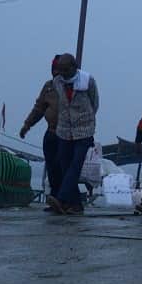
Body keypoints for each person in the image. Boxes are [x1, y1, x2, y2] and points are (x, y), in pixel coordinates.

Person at [48, 54, 99, 215]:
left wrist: (86, 118)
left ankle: (62, 199)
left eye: (65, 69)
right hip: (64, 130)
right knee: (64, 163)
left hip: (84, 130)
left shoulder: (87, 81)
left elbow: (94, 102)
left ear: (74, 67)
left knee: (76, 164)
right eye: (59, 69)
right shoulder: (57, 82)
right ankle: (76, 204)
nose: (61, 72)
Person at [19, 57, 63, 211]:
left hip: (68, 135)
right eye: (54, 69)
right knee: (52, 167)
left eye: (60, 69)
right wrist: (27, 125)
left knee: (64, 166)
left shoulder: (73, 86)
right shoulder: (49, 87)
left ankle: (65, 199)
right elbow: (39, 108)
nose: (56, 72)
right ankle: (55, 199)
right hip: (51, 133)